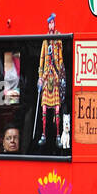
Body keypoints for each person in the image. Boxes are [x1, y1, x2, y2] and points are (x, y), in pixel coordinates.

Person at [37, 13, 66, 148]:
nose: (51, 25)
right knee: (44, 108)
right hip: (46, 76)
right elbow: (41, 60)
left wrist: (60, 75)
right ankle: (43, 134)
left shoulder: (58, 40)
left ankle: (58, 136)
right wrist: (40, 78)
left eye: (53, 23)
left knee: (57, 109)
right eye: (50, 23)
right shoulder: (45, 41)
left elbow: (60, 59)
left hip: (54, 77)